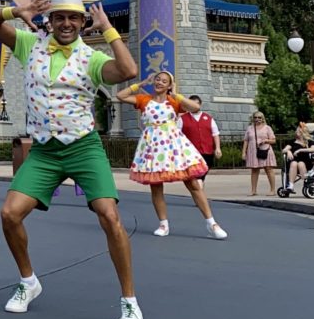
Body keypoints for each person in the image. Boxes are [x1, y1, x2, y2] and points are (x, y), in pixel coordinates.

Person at [0, 0, 143, 319]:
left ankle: (129, 301)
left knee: (109, 216)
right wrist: (17, 10)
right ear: (50, 20)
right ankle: (28, 281)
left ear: (83, 23)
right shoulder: (29, 44)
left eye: (73, 18)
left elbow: (128, 69)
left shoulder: (93, 59)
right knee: (9, 214)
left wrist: (109, 30)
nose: (66, 23)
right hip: (44, 150)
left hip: (83, 147)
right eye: (59, 17)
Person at [117, 72, 228, 239]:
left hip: (174, 146)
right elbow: (120, 95)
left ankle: (212, 223)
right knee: (156, 186)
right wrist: (140, 84)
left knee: (192, 183)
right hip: (153, 147)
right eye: (157, 79)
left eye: (164, 81)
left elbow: (195, 107)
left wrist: (175, 93)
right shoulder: (143, 100)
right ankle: (163, 224)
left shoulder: (174, 101)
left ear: (169, 85)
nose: (159, 82)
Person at [178, 94, 221, 178]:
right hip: (191, 153)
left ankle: (200, 189)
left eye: (197, 104)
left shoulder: (208, 118)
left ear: (200, 105)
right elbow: (177, 135)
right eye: (192, 104)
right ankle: (199, 189)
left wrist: (218, 148)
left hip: (207, 152)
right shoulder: (182, 119)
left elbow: (215, 134)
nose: (194, 106)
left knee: (202, 176)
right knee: (197, 177)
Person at [242, 111, 277, 196]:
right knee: (254, 170)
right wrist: (244, 152)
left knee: (268, 169)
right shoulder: (250, 128)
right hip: (253, 151)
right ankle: (253, 190)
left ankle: (272, 190)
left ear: (262, 119)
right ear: (253, 119)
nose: (257, 119)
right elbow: (246, 141)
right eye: (255, 117)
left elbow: (273, 140)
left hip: (265, 150)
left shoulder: (267, 128)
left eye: (259, 117)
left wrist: (266, 140)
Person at [281, 123, 314, 191]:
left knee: (300, 163)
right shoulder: (293, 141)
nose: (296, 132)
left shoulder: (309, 142)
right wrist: (288, 151)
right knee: (294, 163)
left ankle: (306, 182)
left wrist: (300, 150)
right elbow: (284, 150)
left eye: (298, 131)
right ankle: (291, 185)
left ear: (302, 133)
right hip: (293, 161)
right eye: (296, 131)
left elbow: (313, 149)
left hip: (305, 161)